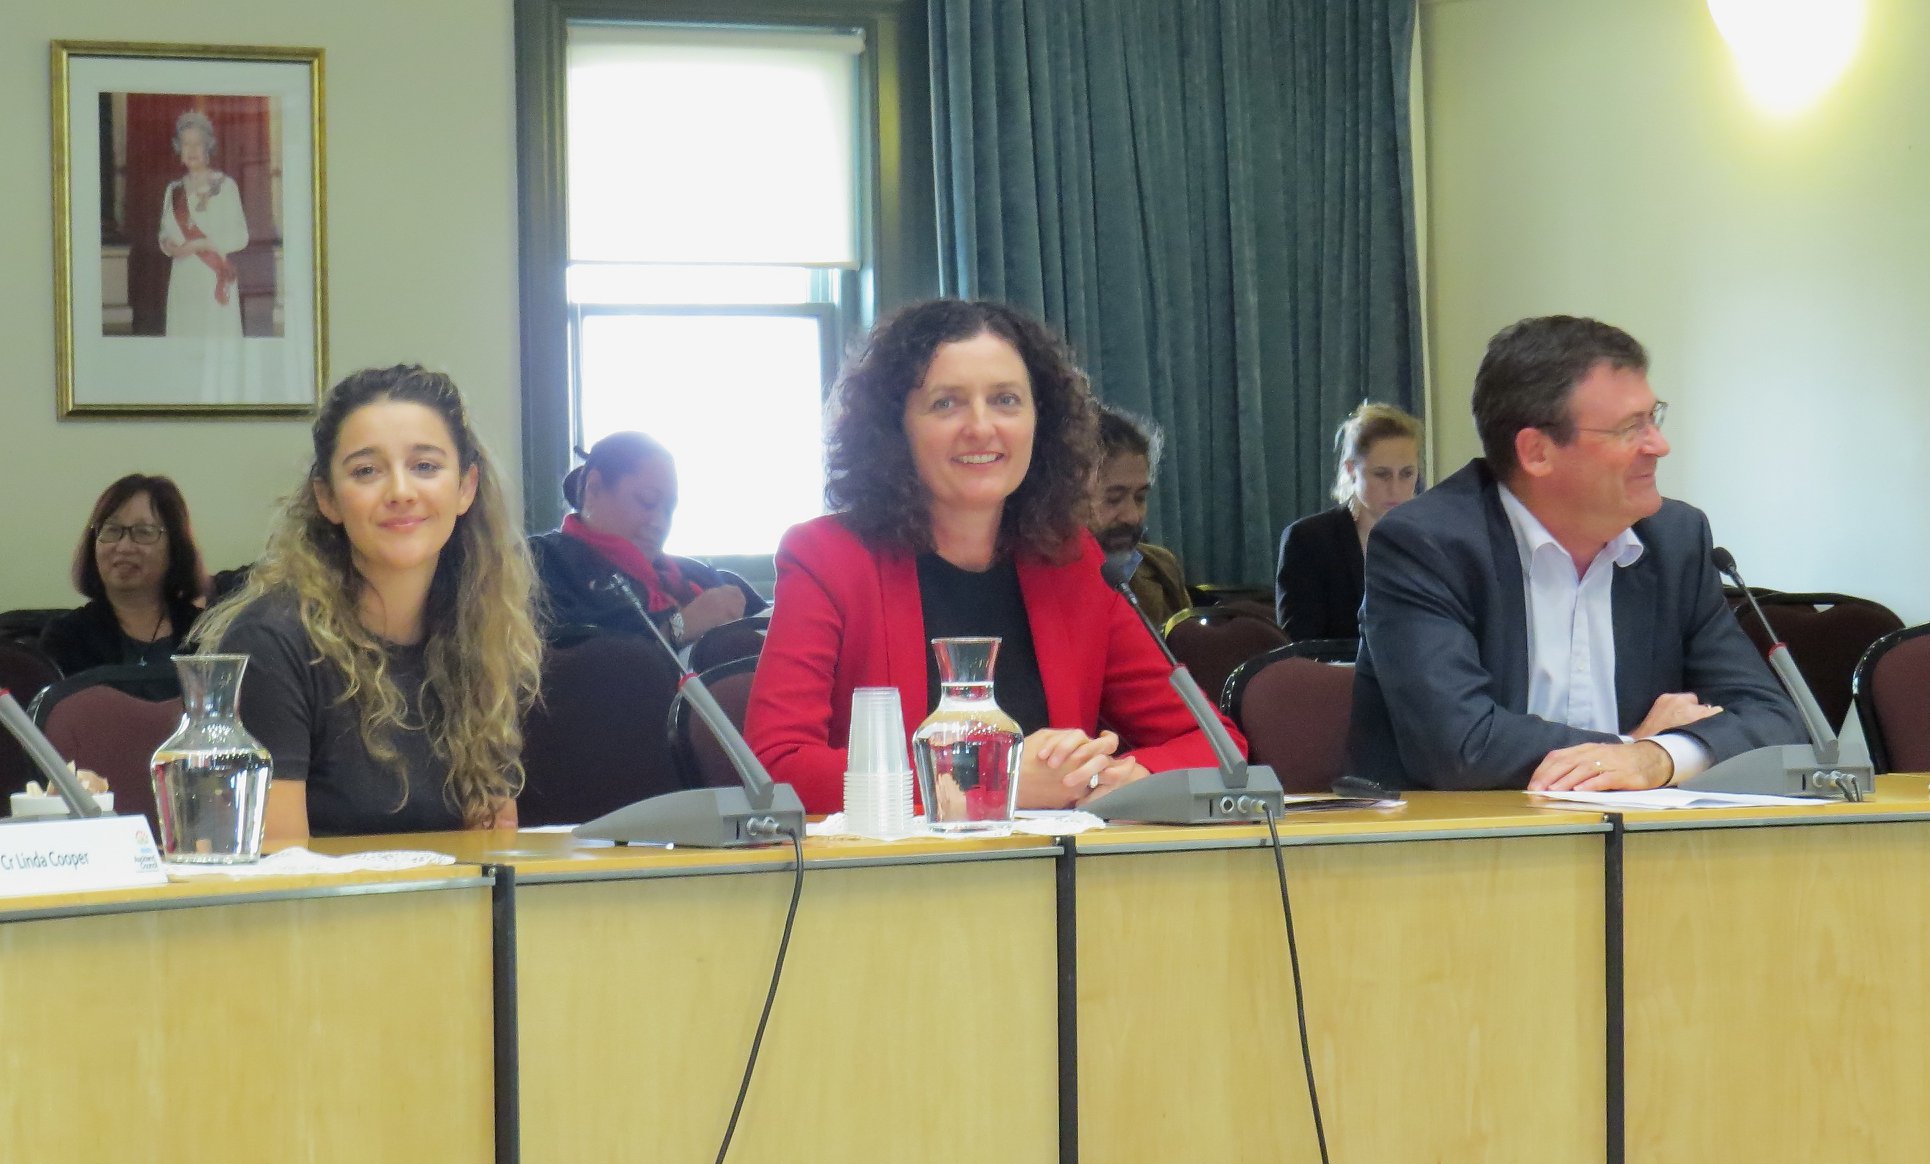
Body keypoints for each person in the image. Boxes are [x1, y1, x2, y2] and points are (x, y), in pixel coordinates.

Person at [744, 298, 1244, 814]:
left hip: (1054, 862)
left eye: (1006, 400)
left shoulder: (1072, 562)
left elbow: (1217, 745)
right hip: (890, 865)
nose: (982, 428)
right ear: (895, 427)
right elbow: (776, 768)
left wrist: (1131, 776)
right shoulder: (826, 558)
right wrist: (990, 784)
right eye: (946, 403)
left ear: (1040, 421)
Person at [1346, 315, 1803, 792]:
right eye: (1630, 428)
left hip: (1636, 834)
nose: (1659, 445)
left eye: (1654, 418)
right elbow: (1457, 746)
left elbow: (1774, 720)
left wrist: (1658, 757)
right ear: (1537, 452)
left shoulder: (1674, 541)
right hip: (1455, 834)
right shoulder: (1426, 544)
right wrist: (1629, 747)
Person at [193, 365, 542, 843]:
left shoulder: (482, 629)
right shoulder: (272, 640)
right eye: (366, 471)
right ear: (328, 499)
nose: (401, 492)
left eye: (425, 466)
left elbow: (492, 847)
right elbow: (279, 869)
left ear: (466, 487)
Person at [530, 431, 765, 646]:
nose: (659, 523)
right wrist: (679, 627)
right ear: (594, 489)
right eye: (647, 501)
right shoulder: (543, 563)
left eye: (669, 510)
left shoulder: (700, 575)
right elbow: (578, 659)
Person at [1274, 401, 1422, 641]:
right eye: (1382, 474)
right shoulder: (1308, 540)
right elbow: (1301, 647)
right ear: (1352, 470)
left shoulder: (1431, 542)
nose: (1396, 488)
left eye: (1407, 473)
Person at [41, 475, 207, 675]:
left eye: (143, 532)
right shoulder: (66, 636)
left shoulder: (205, 633)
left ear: (175, 546)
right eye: (112, 530)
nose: (124, 547)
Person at [1090, 405, 1190, 627]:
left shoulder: (1161, 568)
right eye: (1114, 499)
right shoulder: (1038, 584)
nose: (1133, 517)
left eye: (1140, 497)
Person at [159, 111, 248, 339]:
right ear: (179, 149)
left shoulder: (225, 186)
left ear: (208, 147)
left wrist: (200, 244)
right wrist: (167, 244)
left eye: (197, 143)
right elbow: (164, 233)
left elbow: (240, 236)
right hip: (183, 280)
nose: (191, 150)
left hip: (213, 278)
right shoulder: (173, 190)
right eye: (185, 144)